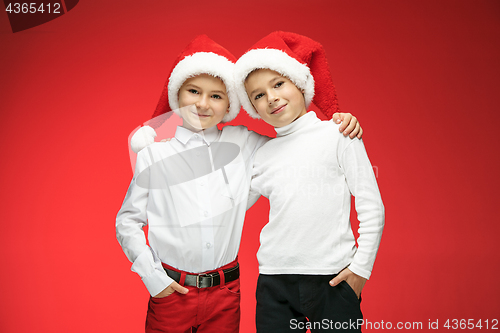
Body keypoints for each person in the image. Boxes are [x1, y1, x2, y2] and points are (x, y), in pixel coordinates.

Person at [117, 34, 362, 333]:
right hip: (171, 292)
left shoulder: (244, 142)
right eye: (193, 91)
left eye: (217, 96)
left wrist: (339, 123)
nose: (203, 103)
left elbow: (293, 143)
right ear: (176, 93)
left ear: (229, 104)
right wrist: (153, 279)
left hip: (225, 294)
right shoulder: (154, 155)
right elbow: (127, 222)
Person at [234, 31, 385, 332]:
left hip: (332, 278)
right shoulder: (263, 153)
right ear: (253, 107)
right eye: (258, 95)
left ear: (300, 83)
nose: (271, 98)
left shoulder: (339, 133)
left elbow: (371, 207)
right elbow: (231, 210)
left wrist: (360, 271)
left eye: (278, 84)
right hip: (274, 282)